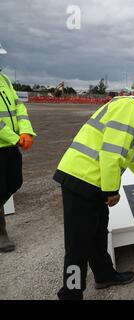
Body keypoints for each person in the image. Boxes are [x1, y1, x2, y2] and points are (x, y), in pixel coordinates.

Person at [54, 77, 134, 300]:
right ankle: (71, 293)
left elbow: (132, 155)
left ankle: (104, 274)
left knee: (97, 232)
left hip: (92, 181)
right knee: (78, 244)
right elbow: (111, 153)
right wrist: (111, 191)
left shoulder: (127, 110)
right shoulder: (129, 107)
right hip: (82, 179)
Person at [0, 42, 36, 252]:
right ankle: (1, 233)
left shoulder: (4, 79)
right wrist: (15, 137)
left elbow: (19, 107)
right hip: (5, 142)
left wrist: (25, 131)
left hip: (11, 145)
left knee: (15, 182)